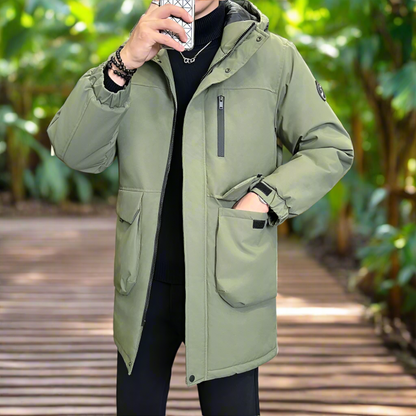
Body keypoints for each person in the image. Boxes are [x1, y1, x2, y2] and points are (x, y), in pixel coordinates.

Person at [47, 0, 354, 414]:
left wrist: (265, 198)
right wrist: (123, 63)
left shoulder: (273, 57)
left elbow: (330, 147)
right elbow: (74, 151)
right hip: (144, 286)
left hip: (231, 284)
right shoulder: (134, 55)